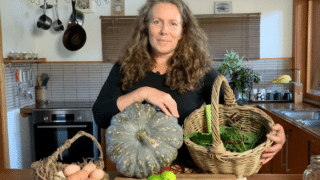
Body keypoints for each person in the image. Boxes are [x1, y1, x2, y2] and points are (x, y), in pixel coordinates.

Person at [93, 0, 285, 172]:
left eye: (173, 23)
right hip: (138, 171)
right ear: (146, 27)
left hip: (186, 172)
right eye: (156, 21)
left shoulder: (200, 71)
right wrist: (142, 93)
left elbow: (233, 118)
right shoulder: (124, 68)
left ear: (183, 31)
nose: (163, 31)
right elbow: (100, 115)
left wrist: (271, 136)